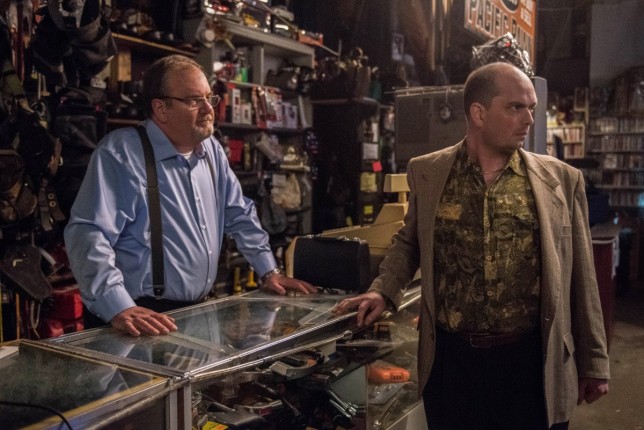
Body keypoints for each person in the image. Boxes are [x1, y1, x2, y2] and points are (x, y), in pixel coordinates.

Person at [332, 62, 609, 429]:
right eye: (515, 107)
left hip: (531, 361)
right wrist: (382, 290)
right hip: (453, 364)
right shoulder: (428, 172)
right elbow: (409, 242)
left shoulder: (561, 180)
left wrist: (594, 362)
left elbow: (583, 278)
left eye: (531, 108)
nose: (528, 119)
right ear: (478, 113)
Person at [64, 55, 316, 337]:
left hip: (198, 313)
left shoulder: (211, 150)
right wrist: (117, 306)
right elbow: (88, 233)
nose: (209, 109)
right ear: (161, 108)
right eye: (194, 101)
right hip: (138, 317)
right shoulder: (121, 154)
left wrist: (269, 271)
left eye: (210, 98)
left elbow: (238, 212)